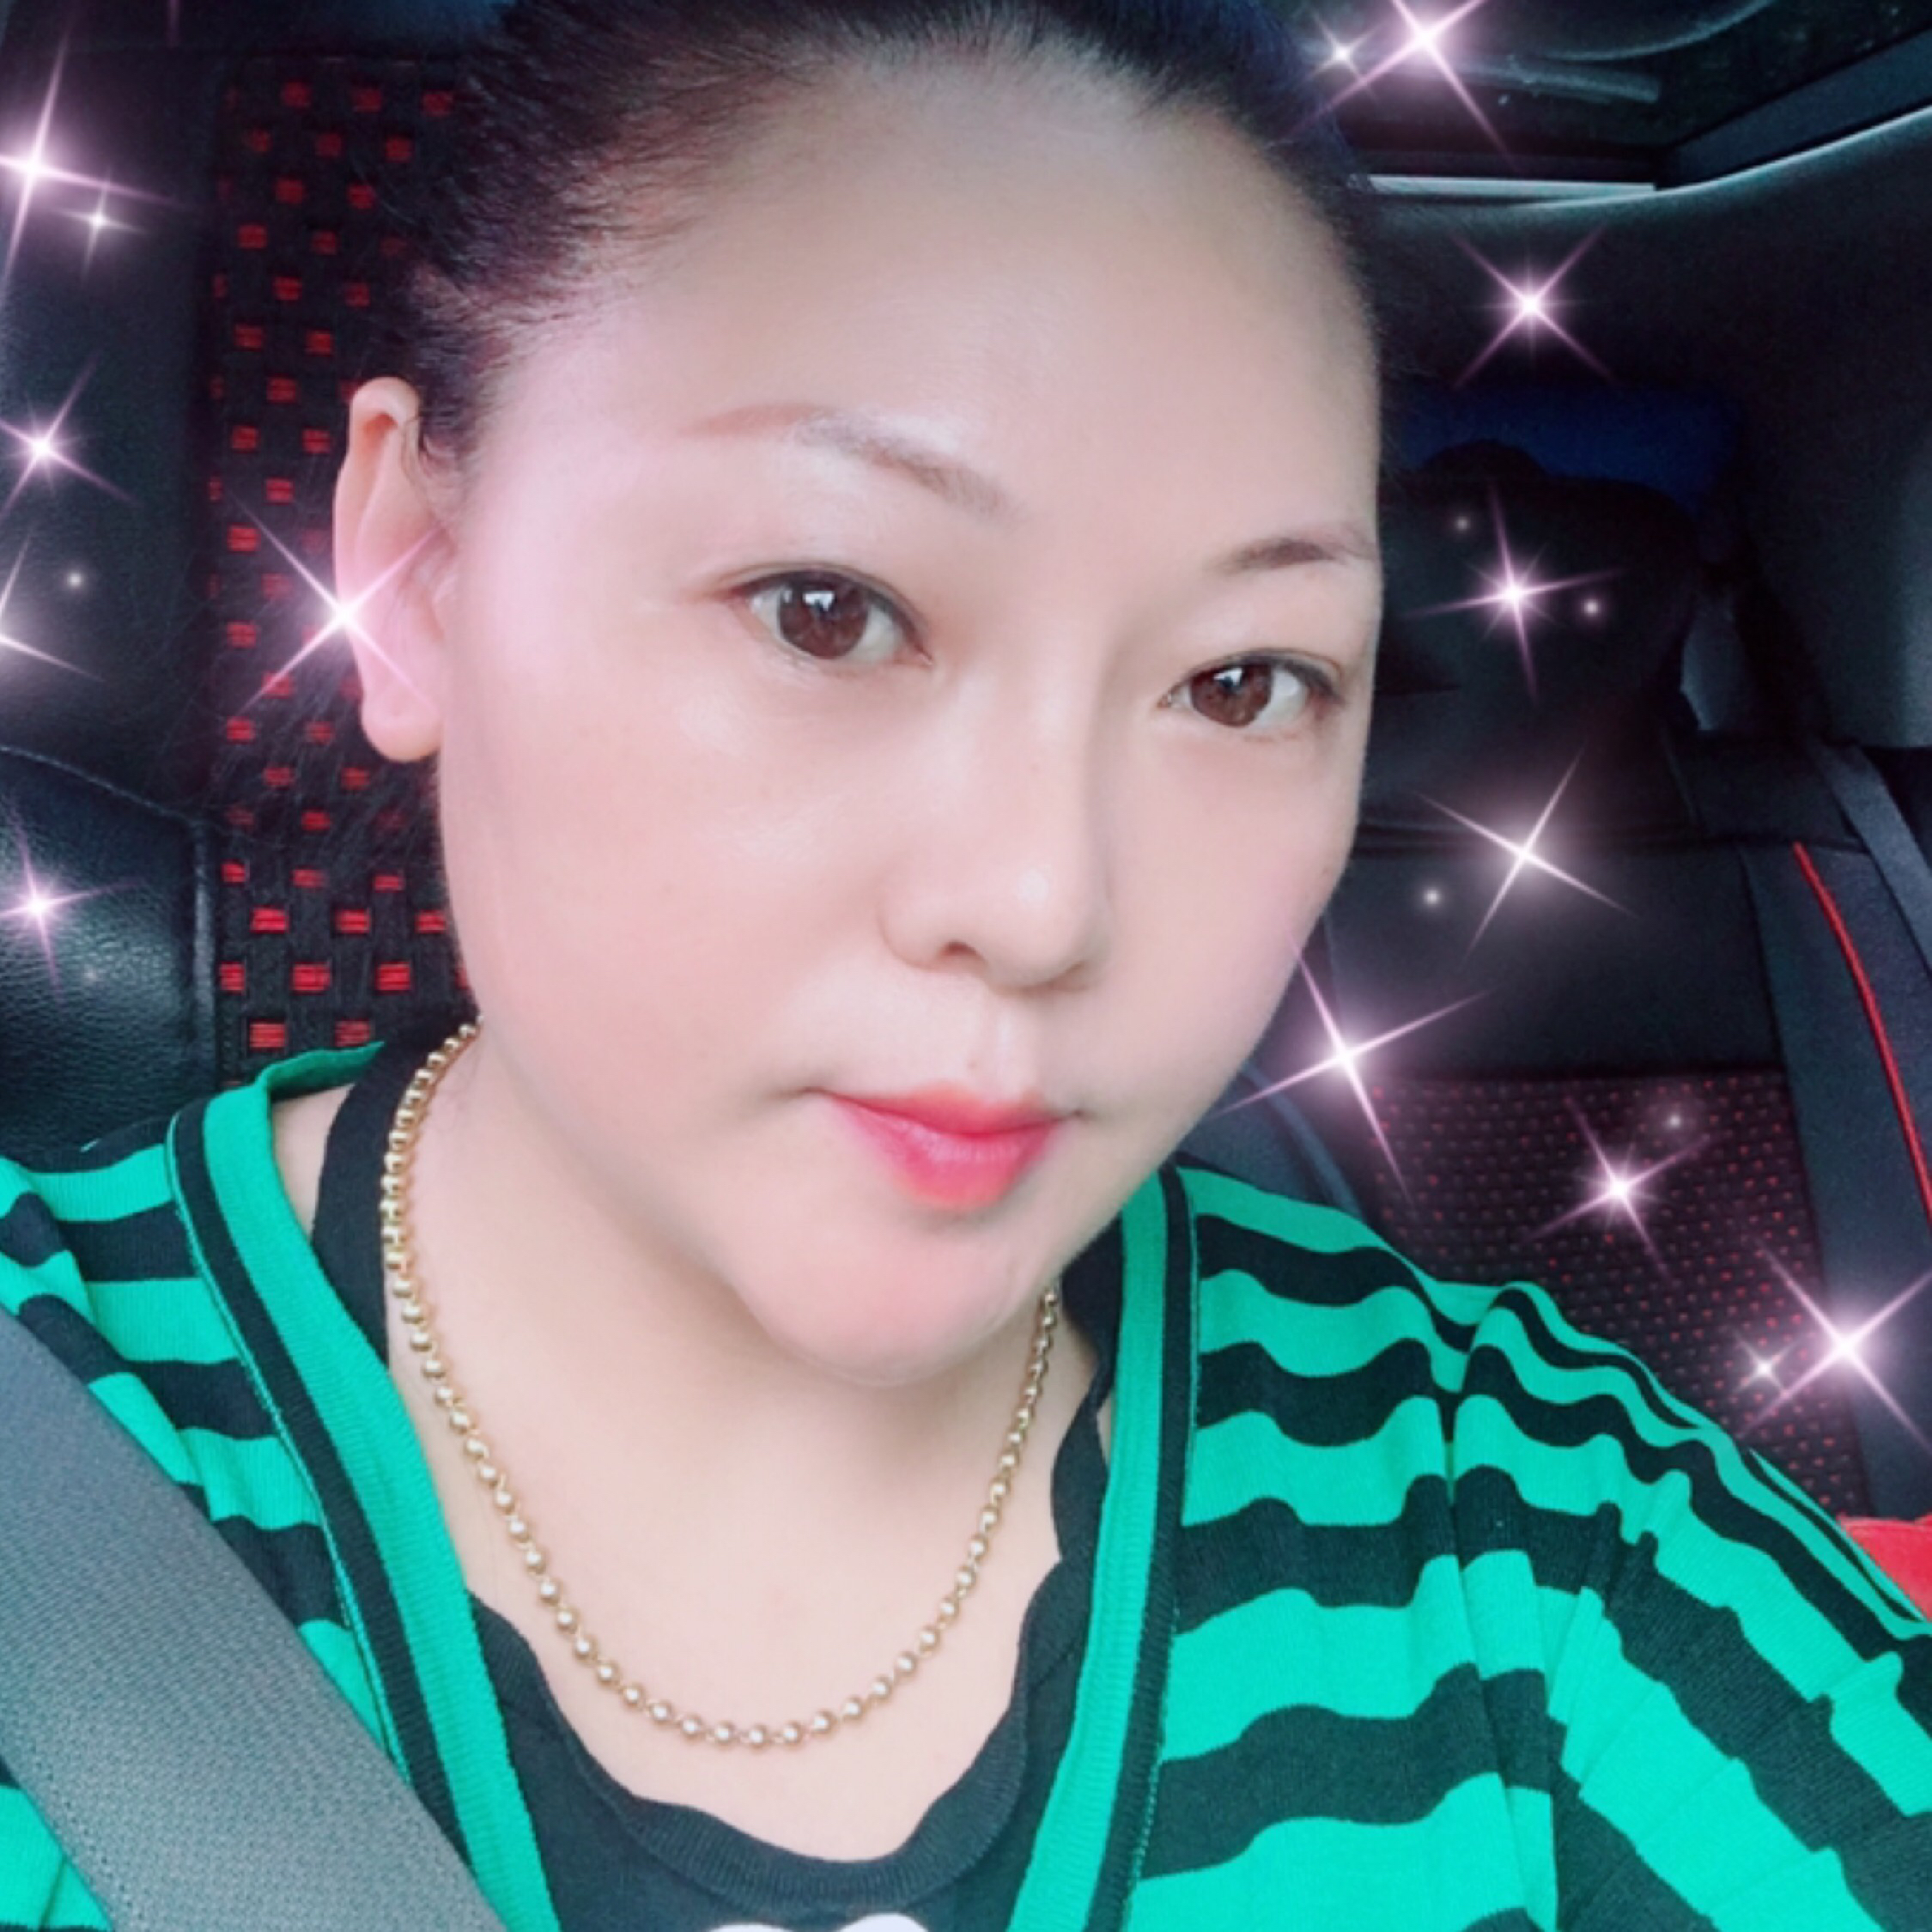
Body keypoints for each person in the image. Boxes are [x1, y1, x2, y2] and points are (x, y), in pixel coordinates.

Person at [3, 0, 1932, 1926]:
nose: (1041, 904)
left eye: (1241, 683)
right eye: (827, 610)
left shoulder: (1524, 1536)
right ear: (416, 577)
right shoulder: (54, 1462)